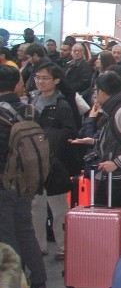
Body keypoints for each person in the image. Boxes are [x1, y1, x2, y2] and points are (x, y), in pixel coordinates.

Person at [73, 71, 121, 242]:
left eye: (95, 90)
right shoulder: (112, 110)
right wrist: (92, 141)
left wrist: (116, 163)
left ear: (103, 91)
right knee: (116, 224)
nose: (94, 94)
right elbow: (115, 140)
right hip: (111, 178)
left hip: (120, 179)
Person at [0, 65, 49, 288]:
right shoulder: (29, 110)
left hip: (4, 182)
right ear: (17, 84)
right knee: (25, 230)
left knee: (7, 236)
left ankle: (16, 284)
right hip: (26, 181)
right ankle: (38, 279)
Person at [29, 63, 77, 260]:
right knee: (36, 206)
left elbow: (69, 132)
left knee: (58, 208)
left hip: (55, 163)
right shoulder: (33, 100)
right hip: (34, 161)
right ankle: (38, 245)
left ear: (56, 80)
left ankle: (64, 246)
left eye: (45, 78)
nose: (40, 81)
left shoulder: (62, 104)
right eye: (38, 77)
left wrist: (48, 139)